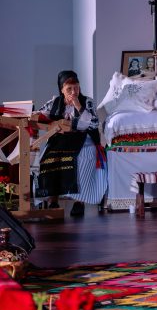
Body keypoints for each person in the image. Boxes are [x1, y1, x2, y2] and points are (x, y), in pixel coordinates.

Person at [35, 70, 107, 216]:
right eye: (69, 89)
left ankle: (79, 202)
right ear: (61, 89)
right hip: (60, 140)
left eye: (76, 88)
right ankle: (52, 199)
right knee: (47, 159)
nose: (73, 92)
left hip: (83, 139)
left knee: (80, 159)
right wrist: (39, 117)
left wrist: (78, 105)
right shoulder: (54, 102)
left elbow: (94, 124)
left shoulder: (86, 101)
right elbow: (39, 115)